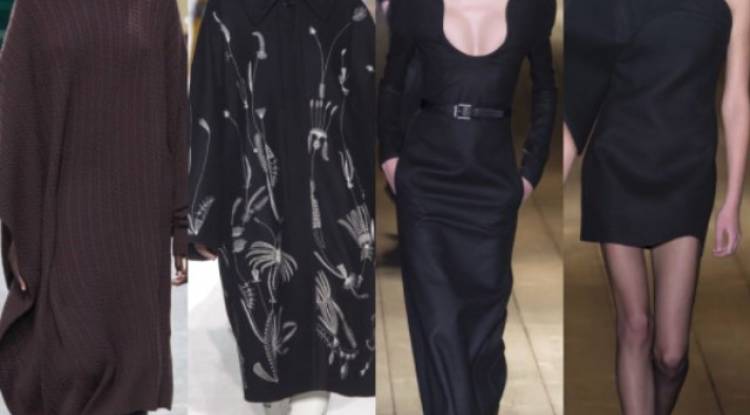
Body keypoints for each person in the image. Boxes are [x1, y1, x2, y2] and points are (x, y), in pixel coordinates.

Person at [0, 1, 188, 414]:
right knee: (73, 363)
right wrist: (19, 234)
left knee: (131, 373)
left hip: (138, 233)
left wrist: (180, 222)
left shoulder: (154, 6)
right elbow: (14, 110)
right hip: (66, 226)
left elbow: (176, 111)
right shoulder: (37, 8)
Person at [563, 0, 749, 413]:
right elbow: (585, 80)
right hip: (617, 164)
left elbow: (736, 99)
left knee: (671, 355)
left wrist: (732, 200)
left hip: (687, 173)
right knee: (635, 325)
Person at [378, 0, 557, 413]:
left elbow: (546, 89)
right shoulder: (417, 7)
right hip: (427, 188)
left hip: (492, 191)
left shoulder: (531, 9)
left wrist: (530, 172)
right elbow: (392, 82)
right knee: (438, 328)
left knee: (483, 334)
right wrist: (390, 158)